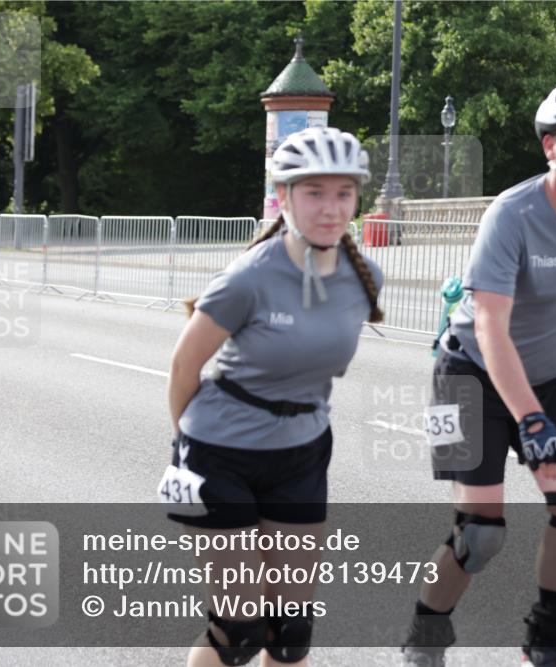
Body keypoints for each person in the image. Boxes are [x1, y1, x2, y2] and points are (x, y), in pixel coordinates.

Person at [402, 80, 556, 667]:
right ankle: (427, 634)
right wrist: (530, 418)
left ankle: (548, 633)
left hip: (550, 379)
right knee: (481, 533)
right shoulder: (513, 213)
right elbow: (490, 327)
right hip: (468, 375)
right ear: (550, 148)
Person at [162, 126, 383, 667]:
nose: (331, 208)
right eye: (314, 193)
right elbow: (184, 367)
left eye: (343, 193)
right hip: (219, 454)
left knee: (289, 635)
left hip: (302, 454)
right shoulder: (248, 279)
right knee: (238, 633)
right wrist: (189, 456)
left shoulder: (365, 278)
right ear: (283, 199)